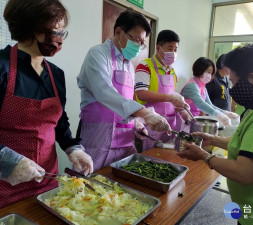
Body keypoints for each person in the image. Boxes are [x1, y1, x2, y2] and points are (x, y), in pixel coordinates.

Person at [178, 42, 253, 225]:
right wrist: (212, 139)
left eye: (234, 82)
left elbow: (244, 173)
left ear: (252, 79)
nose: (232, 89)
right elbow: (247, 145)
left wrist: (205, 156)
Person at [0, 0, 93, 209]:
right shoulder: (2, 68)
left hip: (47, 184)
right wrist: (8, 162)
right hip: (4, 187)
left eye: (62, 32)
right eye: (55, 30)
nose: (59, 38)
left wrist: (73, 148)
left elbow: (59, 123)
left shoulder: (56, 75)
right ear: (31, 28)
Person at [77, 10, 171, 170]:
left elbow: (127, 99)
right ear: (118, 32)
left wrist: (137, 124)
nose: (138, 46)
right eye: (135, 40)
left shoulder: (128, 65)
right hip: (98, 137)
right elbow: (104, 92)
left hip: (124, 140)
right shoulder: (98, 54)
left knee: (121, 187)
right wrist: (145, 113)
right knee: (89, 187)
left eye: (141, 43)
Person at [134, 30, 190, 150]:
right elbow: (141, 93)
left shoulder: (172, 71)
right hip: (151, 124)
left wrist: (180, 109)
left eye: (176, 49)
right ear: (158, 48)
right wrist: (170, 98)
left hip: (170, 125)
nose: (173, 52)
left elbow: (170, 95)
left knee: (167, 158)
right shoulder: (144, 66)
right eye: (170, 48)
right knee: (149, 159)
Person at [180, 57, 238, 126]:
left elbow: (210, 105)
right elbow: (201, 104)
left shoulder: (203, 87)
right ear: (200, 70)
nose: (210, 76)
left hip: (193, 120)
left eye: (211, 73)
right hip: (183, 121)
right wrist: (219, 115)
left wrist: (226, 113)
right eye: (208, 72)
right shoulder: (192, 86)